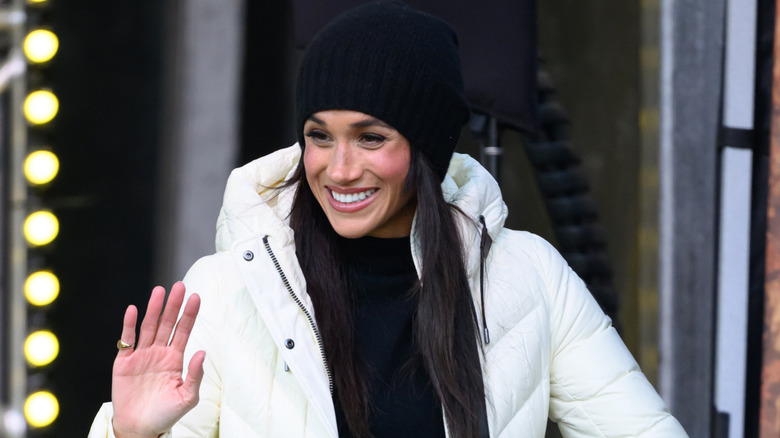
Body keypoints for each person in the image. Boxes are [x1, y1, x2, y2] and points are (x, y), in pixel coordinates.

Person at [89, 2, 688, 437]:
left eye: (371, 138)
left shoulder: (528, 275)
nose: (339, 168)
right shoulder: (225, 289)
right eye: (318, 137)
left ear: (425, 147)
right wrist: (130, 436)